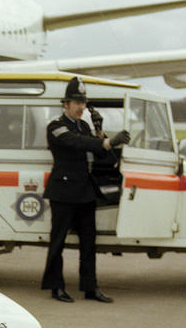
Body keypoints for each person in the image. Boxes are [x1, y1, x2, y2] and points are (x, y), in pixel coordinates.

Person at [40, 76, 130, 303]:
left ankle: (91, 288)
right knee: (58, 241)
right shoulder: (56, 127)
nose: (81, 107)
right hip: (63, 190)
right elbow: (77, 143)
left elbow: (100, 154)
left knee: (89, 243)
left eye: (83, 103)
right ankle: (56, 286)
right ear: (66, 105)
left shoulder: (84, 126)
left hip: (83, 191)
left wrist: (101, 133)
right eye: (76, 103)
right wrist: (106, 143)